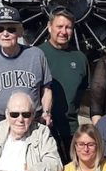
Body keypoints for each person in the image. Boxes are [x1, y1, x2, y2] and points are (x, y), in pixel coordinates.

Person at [0, 6, 53, 125]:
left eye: (11, 29)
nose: (5, 34)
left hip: (31, 119)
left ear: (21, 31)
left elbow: (46, 89)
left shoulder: (36, 55)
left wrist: (46, 112)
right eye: (0, 29)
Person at [38, 8, 89, 161]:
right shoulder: (36, 54)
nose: (63, 31)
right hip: (42, 127)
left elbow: (83, 93)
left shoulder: (80, 58)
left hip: (71, 129)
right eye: (59, 26)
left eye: (68, 27)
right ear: (49, 27)